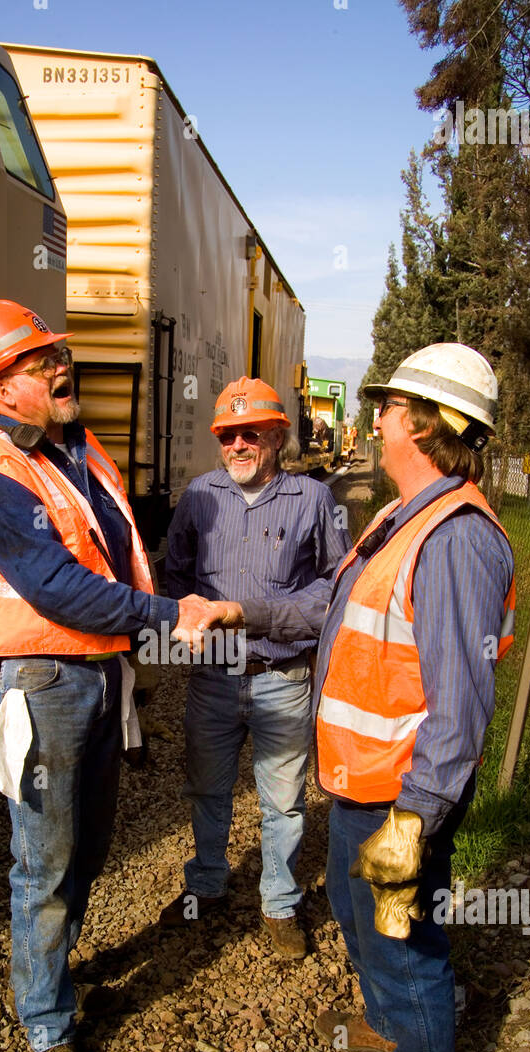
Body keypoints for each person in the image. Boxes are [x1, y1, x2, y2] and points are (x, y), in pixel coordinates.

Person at [208, 345, 515, 1052]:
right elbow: (328, 617)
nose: (372, 419)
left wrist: (415, 819)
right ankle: (388, 1016)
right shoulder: (397, 516)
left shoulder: (456, 541)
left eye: (386, 406)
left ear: (423, 424)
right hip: (356, 778)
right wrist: (244, 613)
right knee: (352, 908)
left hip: (400, 790)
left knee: (400, 937)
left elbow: (462, 705)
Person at [0, 300, 218, 1052]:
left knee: (89, 847)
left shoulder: (79, 450)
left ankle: (55, 969)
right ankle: (46, 1031)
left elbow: (114, 556)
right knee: (46, 863)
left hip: (97, 676)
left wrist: (144, 641)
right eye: (36, 361)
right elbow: (58, 588)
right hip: (44, 684)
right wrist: (173, 617)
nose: (60, 366)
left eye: (57, 351)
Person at [159, 376, 348, 958]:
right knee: (207, 790)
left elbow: (333, 590)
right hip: (213, 681)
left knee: (284, 801)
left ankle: (281, 903)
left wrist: (257, 615)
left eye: (251, 434)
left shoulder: (316, 501)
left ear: (278, 436)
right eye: (227, 435)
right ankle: (207, 885)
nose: (238, 445)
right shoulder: (198, 497)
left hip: (283, 680)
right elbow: (175, 577)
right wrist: (182, 620)